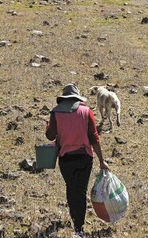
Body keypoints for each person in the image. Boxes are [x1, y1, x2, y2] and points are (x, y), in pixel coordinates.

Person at [46, 84, 110, 237]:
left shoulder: (56, 112)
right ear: (77, 98)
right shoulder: (86, 112)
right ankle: (79, 228)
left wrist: (48, 125)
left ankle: (74, 218)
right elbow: (94, 137)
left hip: (65, 158)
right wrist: (102, 160)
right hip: (84, 157)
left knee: (71, 187)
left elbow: (50, 136)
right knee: (81, 191)